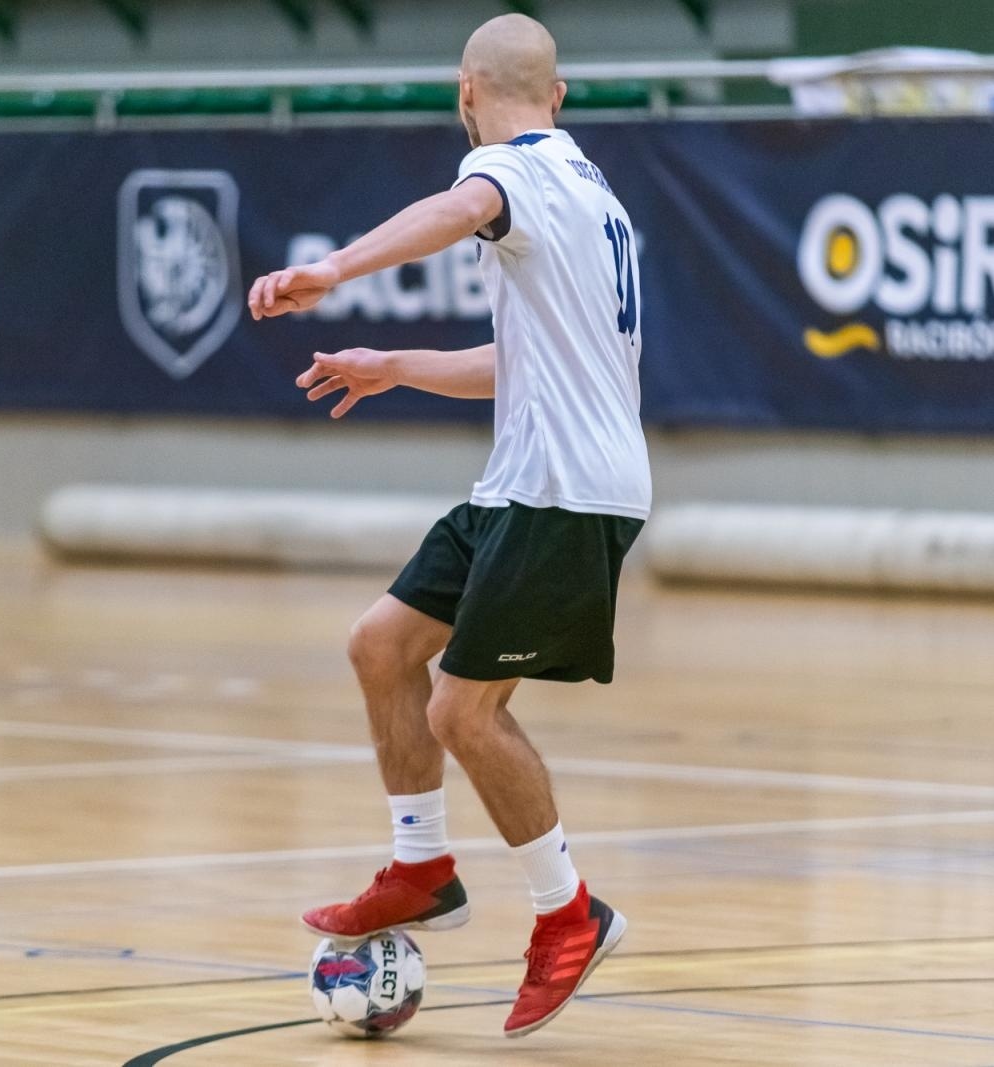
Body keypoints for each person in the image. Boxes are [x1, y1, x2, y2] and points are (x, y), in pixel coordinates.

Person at [246, 13, 650, 1037]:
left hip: (565, 492)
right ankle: (422, 866)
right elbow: (525, 363)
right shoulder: (590, 194)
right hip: (522, 481)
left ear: (465, 91)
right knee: (381, 644)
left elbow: (459, 204)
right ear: (557, 92)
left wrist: (334, 269)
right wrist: (395, 365)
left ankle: (569, 910)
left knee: (462, 711)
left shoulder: (512, 172)